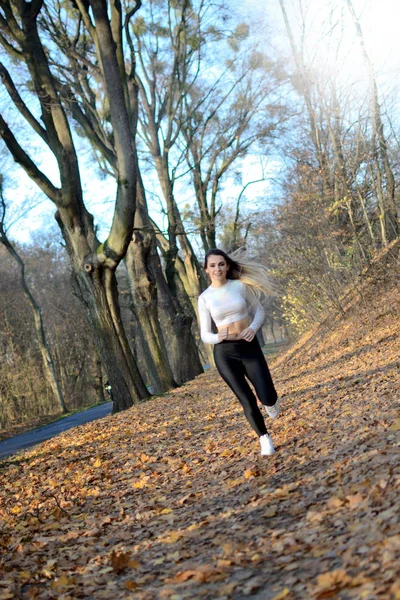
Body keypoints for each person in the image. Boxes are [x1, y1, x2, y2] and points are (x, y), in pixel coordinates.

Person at [198, 248, 279, 456]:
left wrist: (252, 328)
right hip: (225, 353)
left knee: (267, 396)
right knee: (246, 398)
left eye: (221, 264)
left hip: (248, 345)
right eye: (213, 265)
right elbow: (205, 334)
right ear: (206, 269)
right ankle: (264, 439)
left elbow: (259, 311)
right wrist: (218, 337)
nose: (218, 269)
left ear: (227, 266)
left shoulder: (240, 287)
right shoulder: (205, 298)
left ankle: (270, 403)